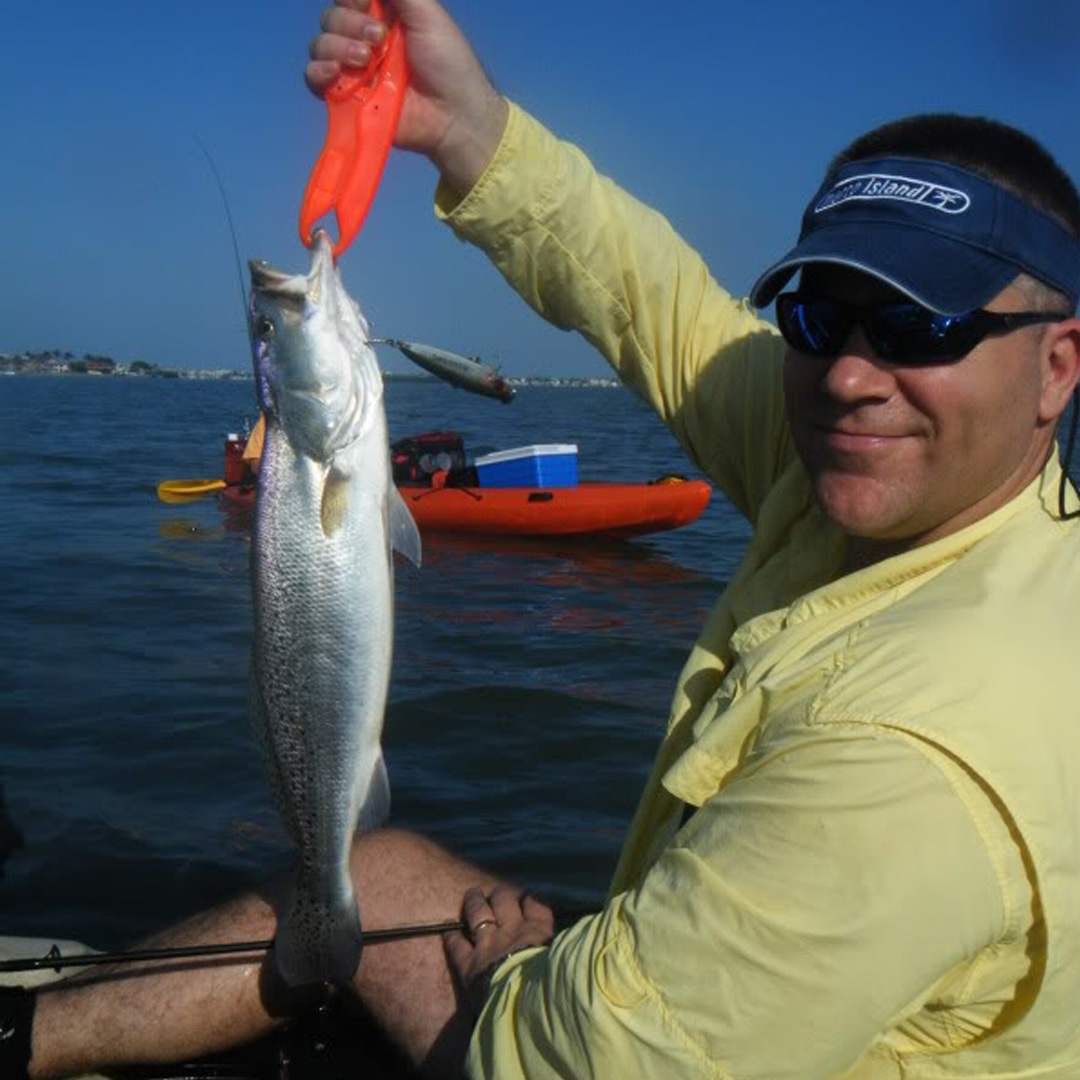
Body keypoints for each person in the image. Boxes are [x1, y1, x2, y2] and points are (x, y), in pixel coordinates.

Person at [9, 0, 1080, 1077]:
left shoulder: (917, 755)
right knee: (368, 875)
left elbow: (604, 1059)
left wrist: (514, 971)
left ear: (1058, 368)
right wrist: (467, 130)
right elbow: (662, 311)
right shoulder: (886, 478)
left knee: (393, 905)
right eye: (814, 315)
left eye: (921, 326)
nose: (850, 374)